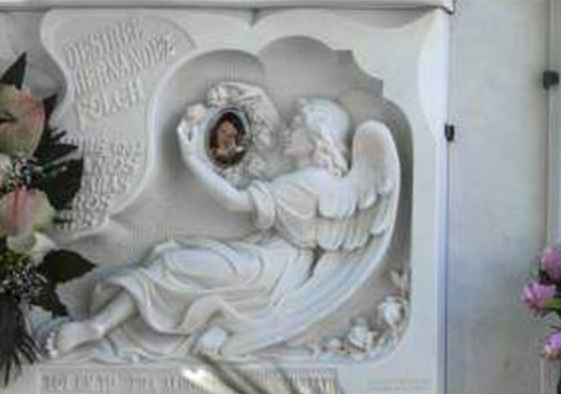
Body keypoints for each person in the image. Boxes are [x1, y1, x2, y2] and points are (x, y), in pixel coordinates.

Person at [47, 93, 399, 361]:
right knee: (170, 257)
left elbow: (235, 202)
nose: (289, 129)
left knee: (171, 263)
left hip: (268, 273)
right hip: (274, 259)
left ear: (315, 135)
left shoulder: (306, 184)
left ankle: (98, 327)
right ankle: (99, 326)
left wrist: (191, 159)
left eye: (297, 124)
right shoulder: (317, 182)